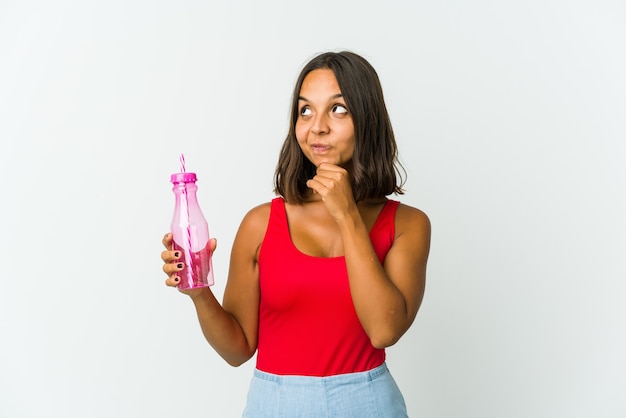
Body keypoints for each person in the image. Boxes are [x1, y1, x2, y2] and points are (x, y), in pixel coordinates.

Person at [161, 50, 431, 417]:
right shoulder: (260, 224)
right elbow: (237, 350)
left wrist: (347, 214)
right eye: (305, 110)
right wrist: (198, 293)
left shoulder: (408, 225)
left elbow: (384, 331)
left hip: (368, 404)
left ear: (368, 120)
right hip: (275, 404)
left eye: (338, 109)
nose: (317, 126)